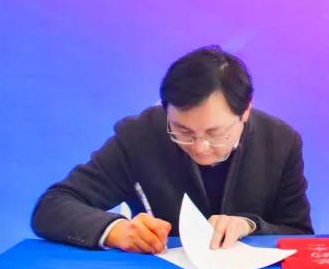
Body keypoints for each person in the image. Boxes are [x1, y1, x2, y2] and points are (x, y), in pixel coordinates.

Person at [32, 46, 312, 253]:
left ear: (246, 111)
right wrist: (117, 230)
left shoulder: (280, 141)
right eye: (183, 132)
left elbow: (299, 233)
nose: (200, 148)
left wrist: (250, 225)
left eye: (215, 133)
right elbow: (52, 206)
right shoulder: (139, 136)